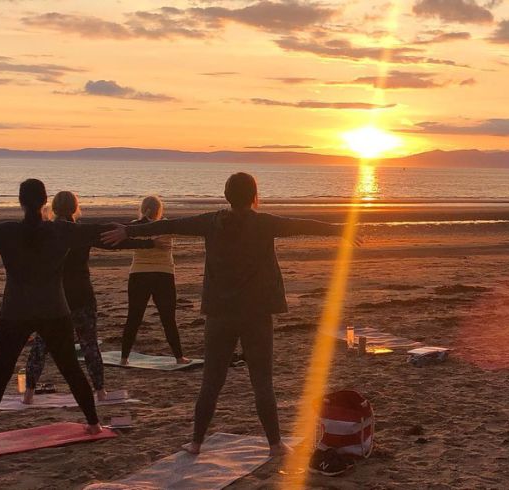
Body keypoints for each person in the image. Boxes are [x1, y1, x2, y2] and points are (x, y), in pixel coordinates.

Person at [102, 172, 358, 457]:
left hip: (220, 314)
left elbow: (169, 225)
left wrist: (129, 230)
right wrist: (341, 231)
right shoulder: (263, 223)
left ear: (226, 196)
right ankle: (274, 445)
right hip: (256, 313)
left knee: (212, 380)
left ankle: (197, 443)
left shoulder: (212, 221)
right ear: (254, 197)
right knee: (262, 381)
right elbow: (302, 225)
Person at [0, 179, 107, 450]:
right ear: (45, 201)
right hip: (54, 311)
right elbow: (101, 231)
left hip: (15, 313)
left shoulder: (6, 232)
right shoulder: (61, 231)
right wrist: (144, 231)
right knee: (71, 369)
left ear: (20, 201)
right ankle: (94, 423)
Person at [21, 191, 152, 404]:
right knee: (89, 344)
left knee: (41, 345)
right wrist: (148, 243)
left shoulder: (45, 231)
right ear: (75, 209)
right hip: (81, 295)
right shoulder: (81, 231)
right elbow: (113, 242)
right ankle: (100, 391)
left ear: (53, 209)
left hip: (54, 296)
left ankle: (28, 394)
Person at [120, 196, 189, 365]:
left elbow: (127, 237)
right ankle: (179, 357)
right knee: (168, 318)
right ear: (160, 210)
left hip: (139, 274)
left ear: (143, 209)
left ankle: (124, 358)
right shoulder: (166, 226)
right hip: (163, 275)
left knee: (134, 317)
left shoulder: (135, 226)